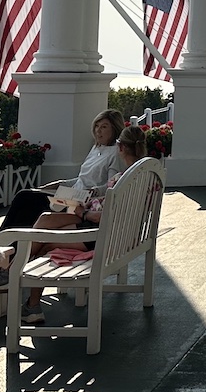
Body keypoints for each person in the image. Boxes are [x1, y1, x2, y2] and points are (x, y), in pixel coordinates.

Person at [0, 108, 125, 294]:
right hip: (71, 196)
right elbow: (80, 179)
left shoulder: (115, 153)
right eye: (97, 126)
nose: (98, 131)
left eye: (104, 127)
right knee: (26, 196)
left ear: (115, 129)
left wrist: (92, 191)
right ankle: (1, 248)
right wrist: (56, 185)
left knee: (28, 202)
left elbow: (110, 185)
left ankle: (0, 250)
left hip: (81, 203)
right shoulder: (96, 149)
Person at [16, 125, 151, 325]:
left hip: (103, 238)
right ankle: (17, 282)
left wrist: (83, 211)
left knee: (45, 241)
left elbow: (103, 218)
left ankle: (22, 291)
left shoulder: (122, 182)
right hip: (122, 236)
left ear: (120, 147)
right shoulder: (145, 176)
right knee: (46, 220)